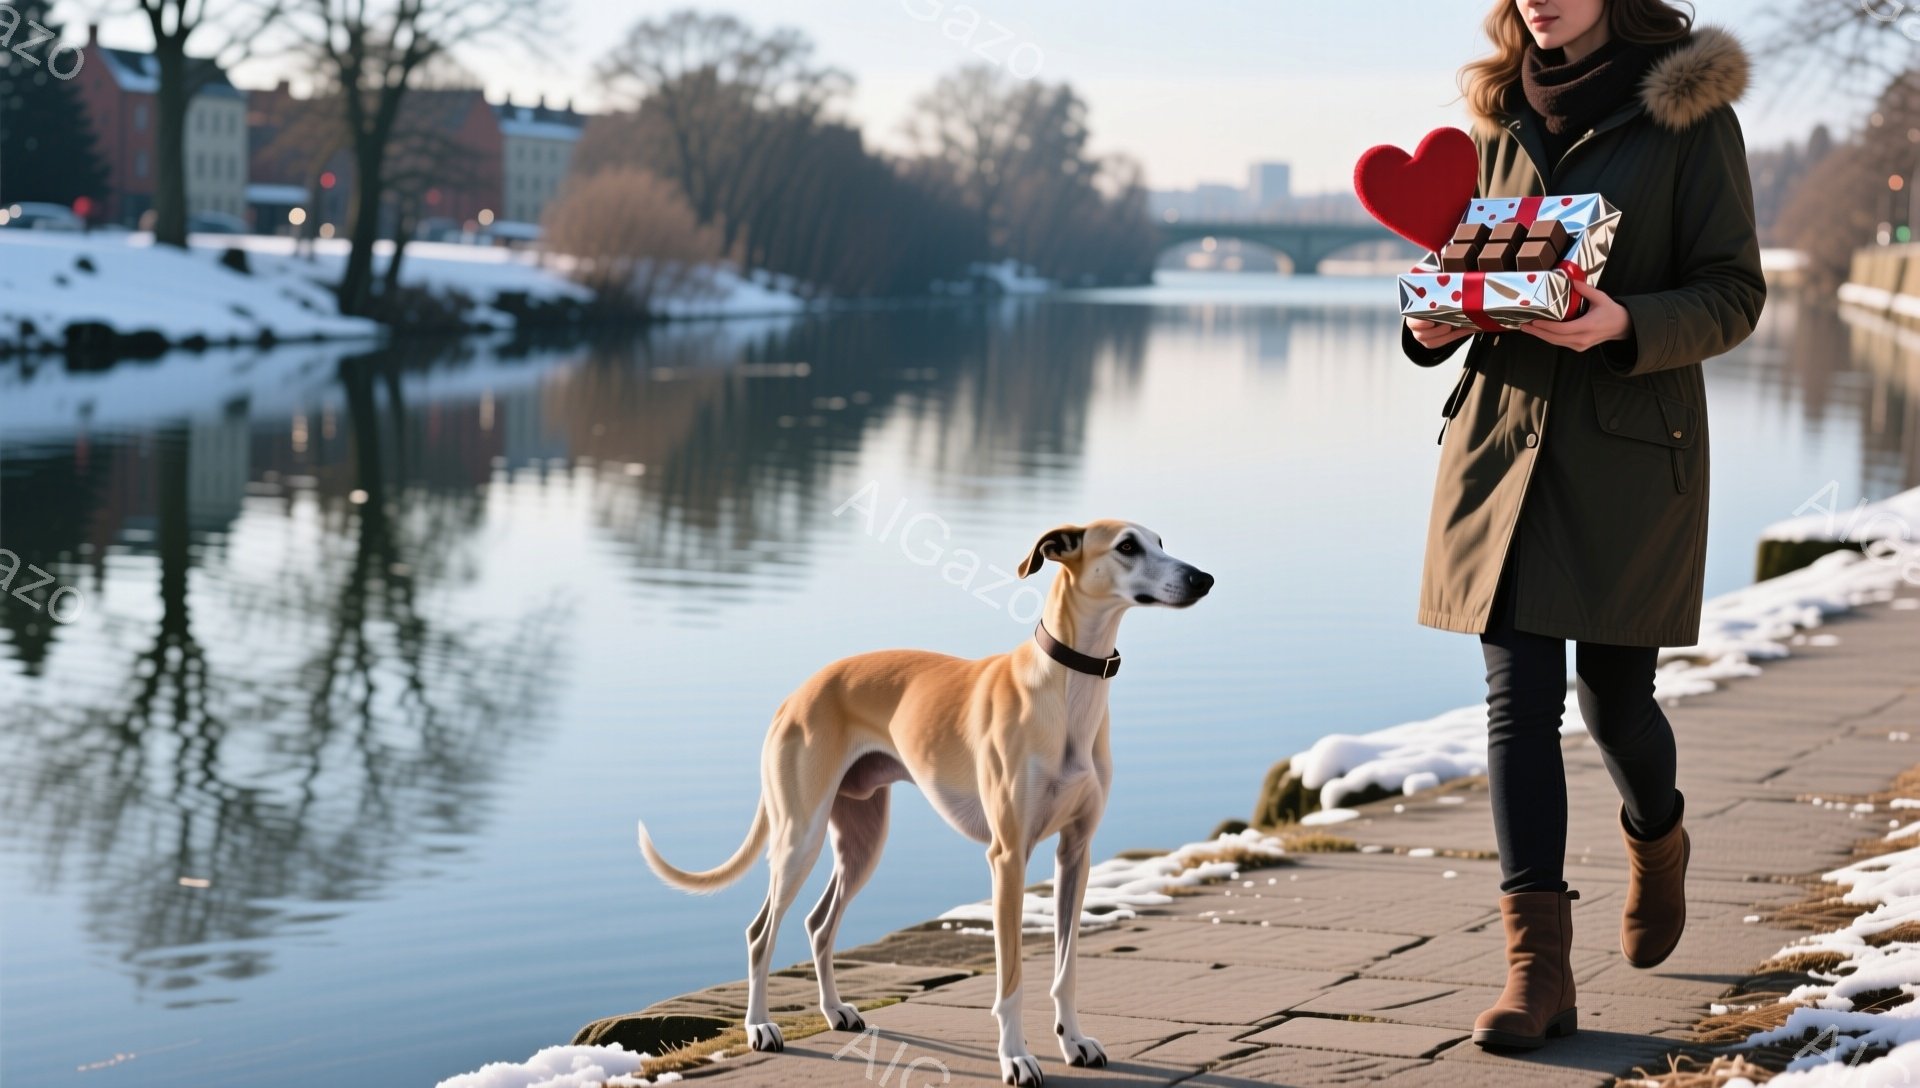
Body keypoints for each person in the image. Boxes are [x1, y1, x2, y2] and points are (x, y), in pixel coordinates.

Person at [1402, 0, 1765, 1050]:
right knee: (1516, 698)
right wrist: (1429, 319)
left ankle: (1658, 832)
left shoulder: (1690, 116)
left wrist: (1625, 321)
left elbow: (1735, 293)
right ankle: (1538, 970)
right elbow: (1470, 267)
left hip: (1627, 452)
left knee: (1615, 698)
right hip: (1499, 449)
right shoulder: (1492, 116)